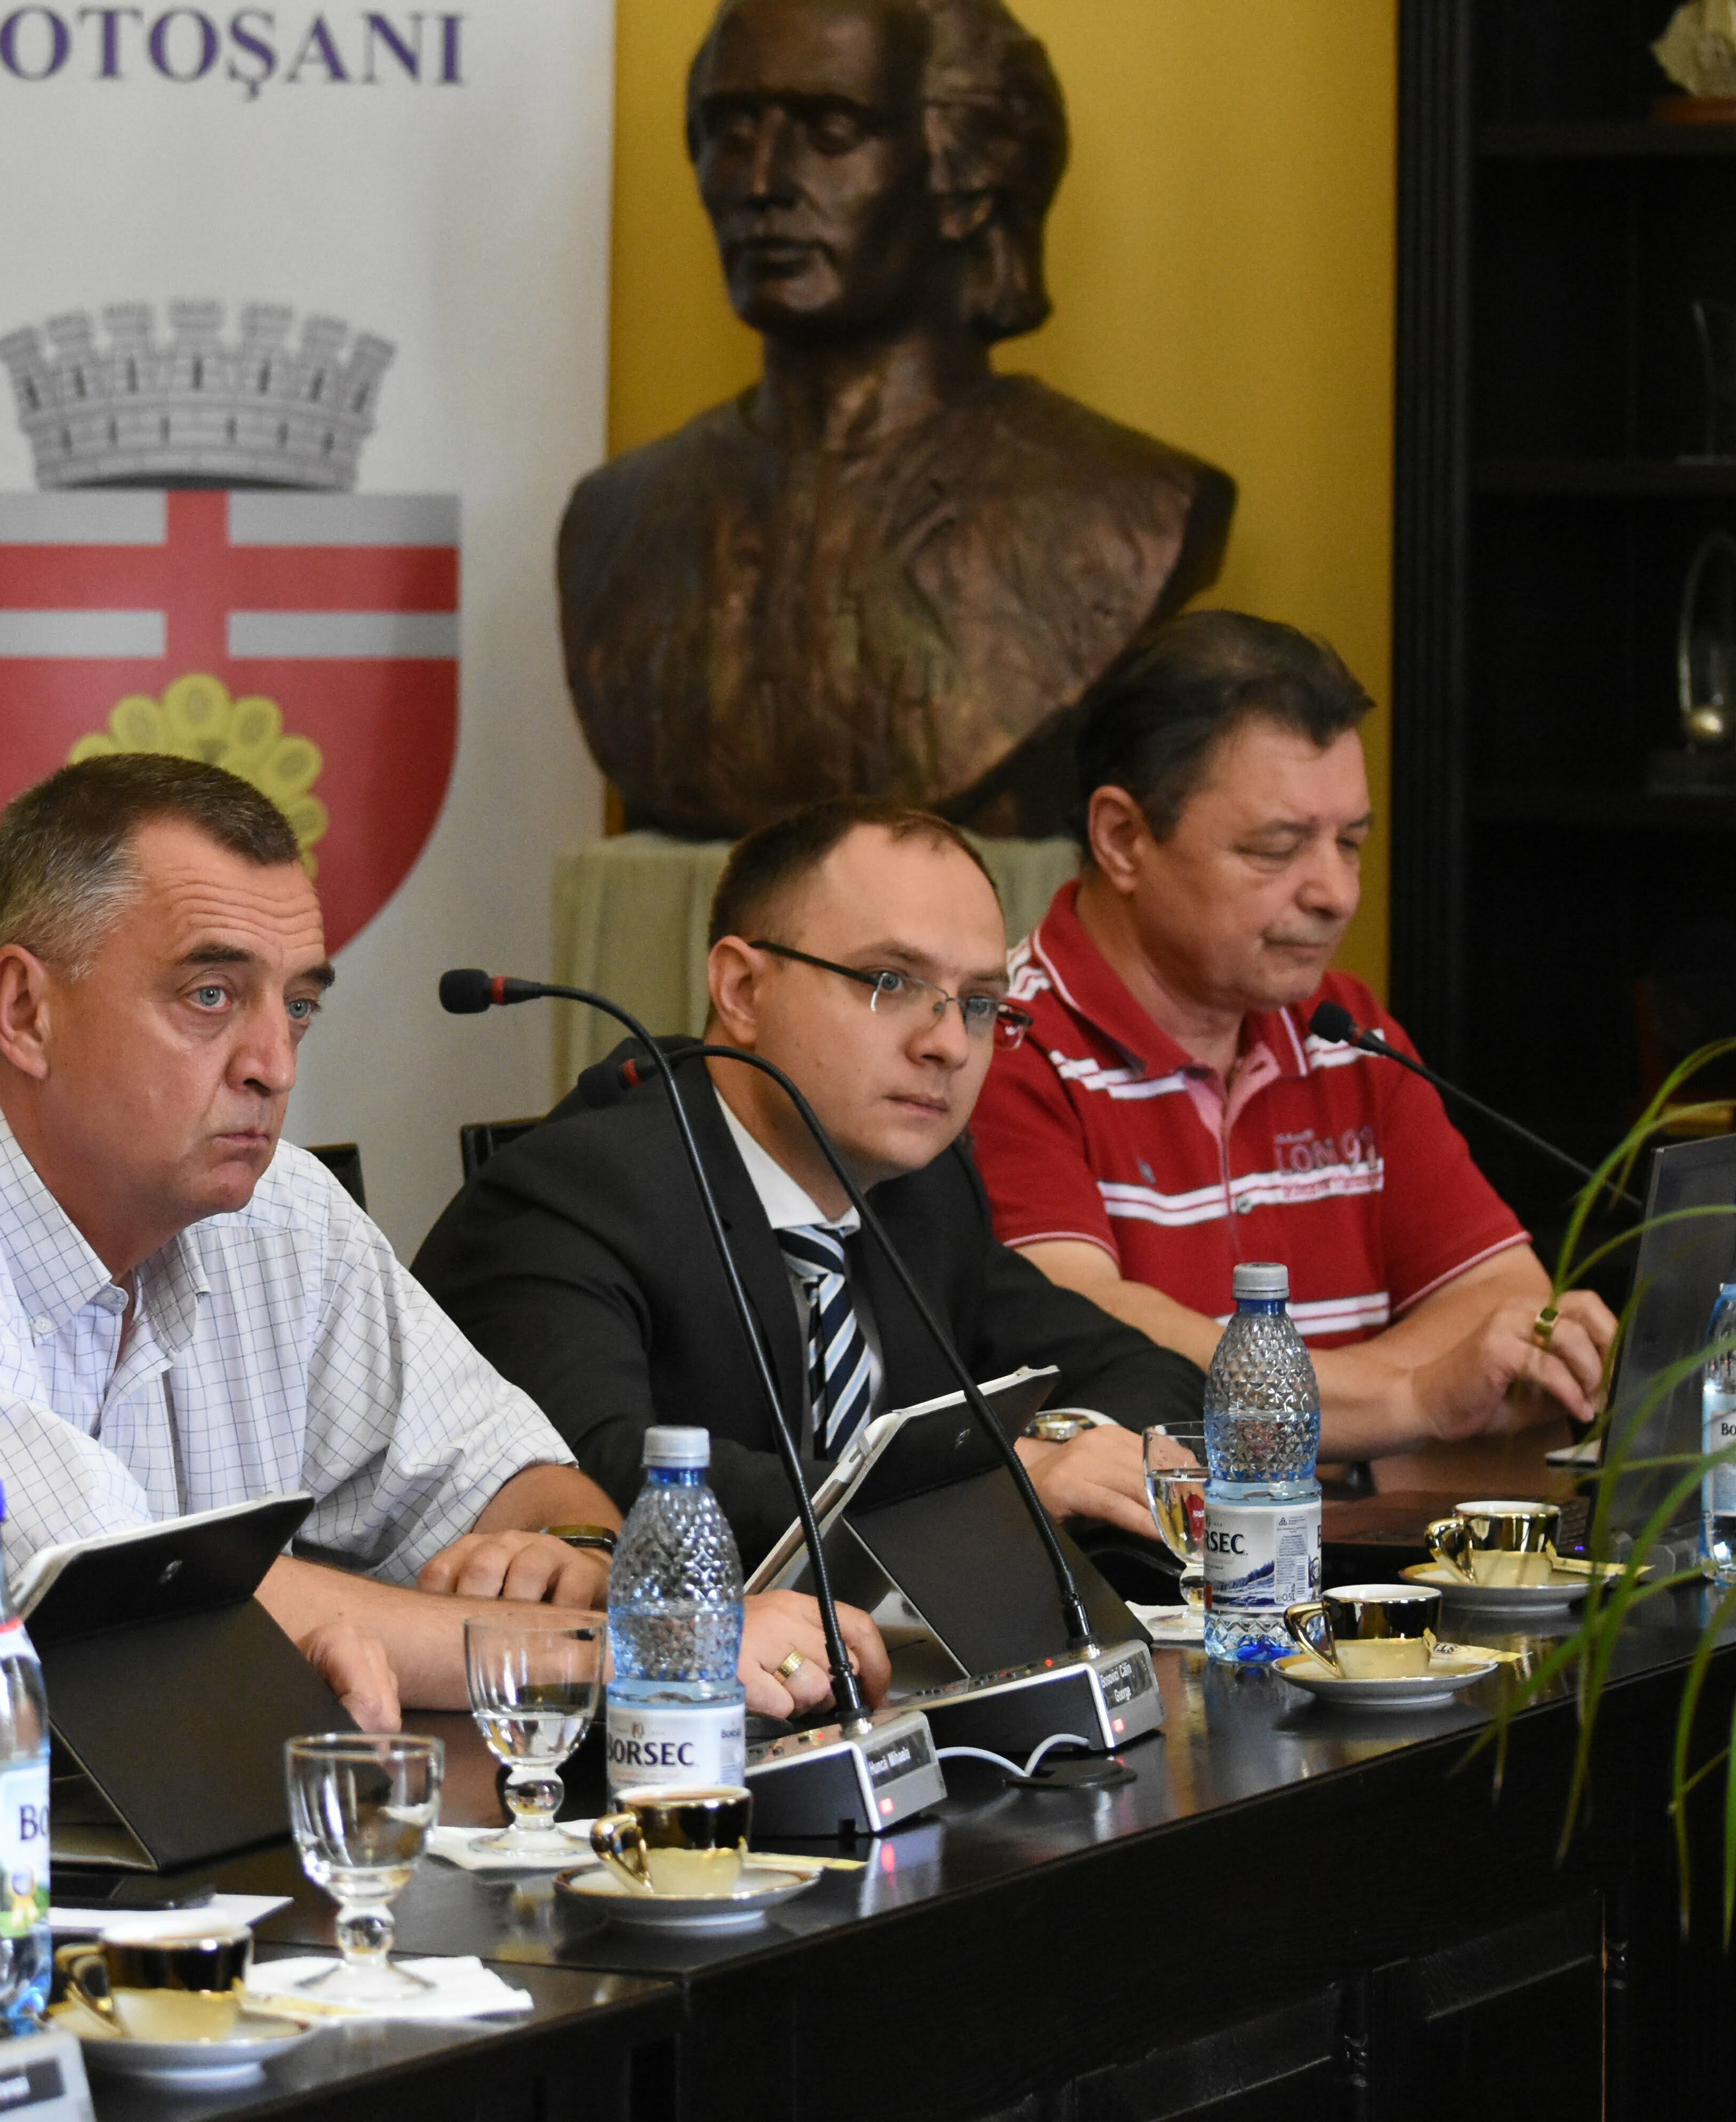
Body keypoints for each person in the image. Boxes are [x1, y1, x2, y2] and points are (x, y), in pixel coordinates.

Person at [0, 754, 889, 1726]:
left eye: (296, 1004)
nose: (273, 1062)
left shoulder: (279, 1209)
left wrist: (568, 1555)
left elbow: (510, 1471)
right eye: (210, 995)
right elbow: (134, 1613)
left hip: (143, 1839)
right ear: (26, 1009)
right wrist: (643, 1641)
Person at [418, 799, 1196, 1569]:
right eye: (889, 981)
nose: (951, 1045)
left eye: (981, 1004)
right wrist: (994, 1485)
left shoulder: (923, 1191)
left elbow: (1148, 1373)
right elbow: (602, 1478)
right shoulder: (573, 1194)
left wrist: (1072, 1452)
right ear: (742, 990)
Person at [555, 0, 1232, 841]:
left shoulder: (1126, 506)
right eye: (731, 132)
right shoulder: (616, 522)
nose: (762, 183)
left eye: (832, 131)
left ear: (966, 176)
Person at [968, 611, 1619, 1464]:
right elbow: (1091, 1338)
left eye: (1350, 842)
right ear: (1123, 839)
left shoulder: (1347, 1029)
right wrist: (1414, 1399)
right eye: (1278, 848)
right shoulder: (1002, 1043)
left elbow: (1506, 1310)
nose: (1337, 894)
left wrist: (1380, 1406)